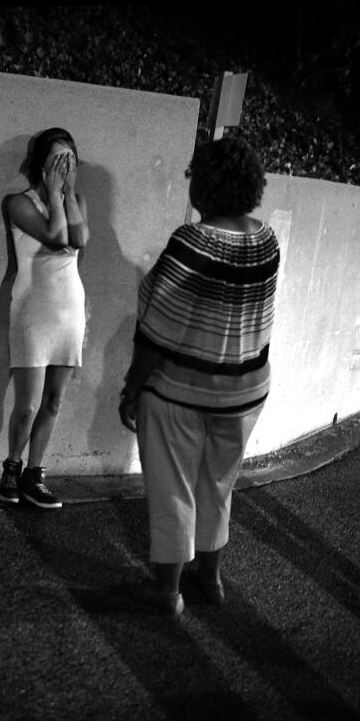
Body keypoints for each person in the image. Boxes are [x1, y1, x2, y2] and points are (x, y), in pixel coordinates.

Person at [117, 135, 280, 615]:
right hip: (247, 390)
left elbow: (157, 329)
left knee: (173, 486)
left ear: (203, 185)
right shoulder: (266, 239)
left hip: (182, 390)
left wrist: (132, 389)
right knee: (218, 484)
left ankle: (166, 590)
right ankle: (210, 578)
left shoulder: (194, 242)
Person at [0, 128, 90, 509]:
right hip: (33, 308)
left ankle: (35, 473)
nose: (65, 167)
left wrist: (66, 194)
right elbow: (55, 236)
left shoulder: (78, 200)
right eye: (58, 160)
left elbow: (79, 239)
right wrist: (53, 193)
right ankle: (11, 469)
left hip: (69, 307)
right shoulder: (18, 203)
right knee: (28, 404)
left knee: (54, 401)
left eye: (71, 159)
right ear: (42, 164)